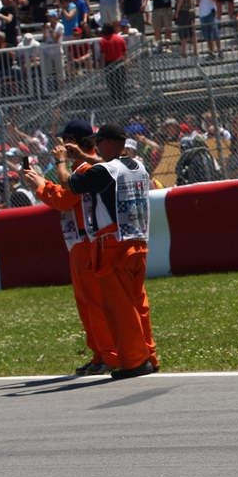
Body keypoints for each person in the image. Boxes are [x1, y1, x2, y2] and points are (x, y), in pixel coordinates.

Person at [20, 120, 116, 376]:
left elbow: (64, 199)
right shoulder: (82, 166)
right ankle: (99, 354)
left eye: (65, 140)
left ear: (74, 141)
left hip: (88, 242)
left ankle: (108, 355)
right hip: (80, 242)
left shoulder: (86, 167)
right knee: (87, 304)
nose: (60, 145)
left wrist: (40, 185)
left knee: (94, 303)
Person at [65, 123, 158, 380]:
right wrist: (83, 157)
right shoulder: (136, 165)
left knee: (120, 309)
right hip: (138, 241)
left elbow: (70, 184)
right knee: (139, 304)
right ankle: (149, 355)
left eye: (99, 142)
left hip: (112, 244)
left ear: (106, 143)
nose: (96, 147)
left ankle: (134, 362)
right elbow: (106, 167)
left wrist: (62, 162)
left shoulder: (105, 171)